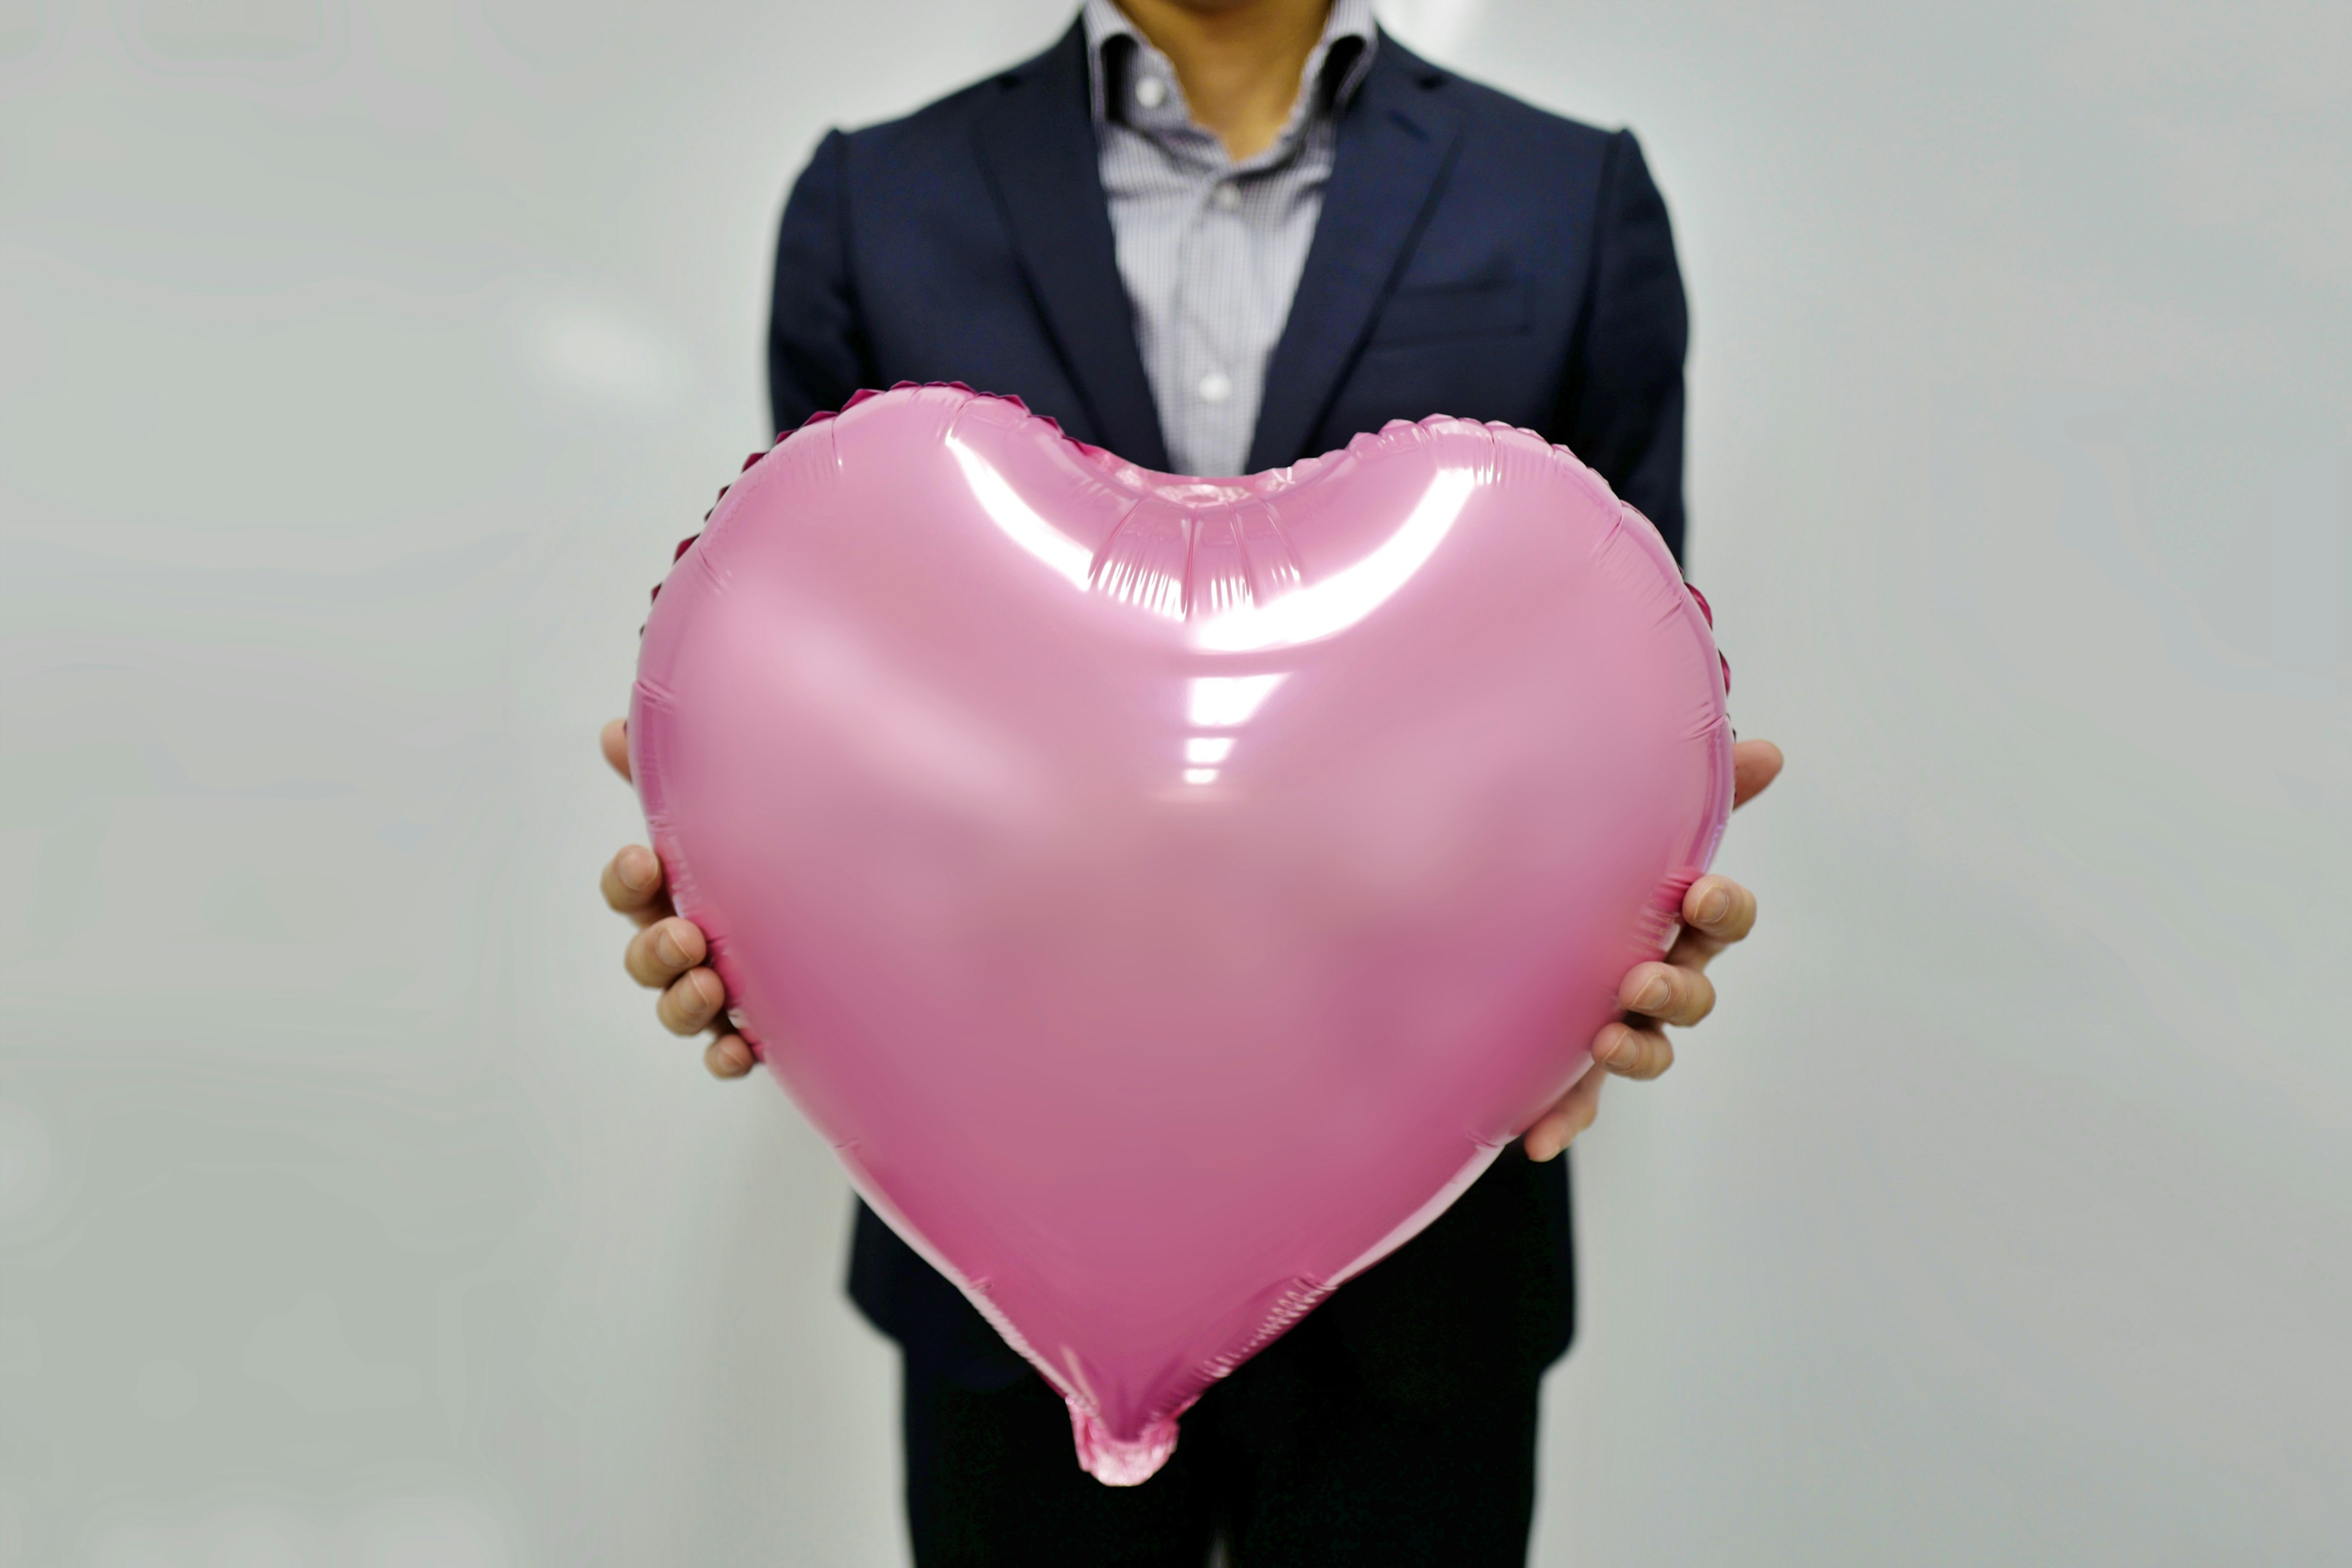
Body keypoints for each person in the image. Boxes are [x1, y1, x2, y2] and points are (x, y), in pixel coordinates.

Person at [598, 0, 1784, 1561]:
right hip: (1000, 1259)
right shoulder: (876, 197)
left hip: (1431, 1257)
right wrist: (740, 883)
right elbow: (818, 676)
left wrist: (1632, 909)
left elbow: (1625, 685)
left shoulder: (1567, 194)